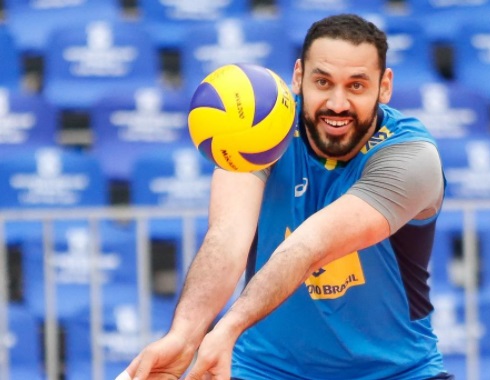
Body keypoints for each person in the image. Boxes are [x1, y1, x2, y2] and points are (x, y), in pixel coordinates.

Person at [121, 13, 451, 380]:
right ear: (298, 77)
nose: (337, 103)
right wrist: (184, 337)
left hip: (399, 371)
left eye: (356, 86)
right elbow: (227, 239)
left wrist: (226, 328)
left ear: (384, 86)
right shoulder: (260, 131)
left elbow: (310, 247)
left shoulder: (410, 155)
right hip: (267, 369)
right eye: (323, 82)